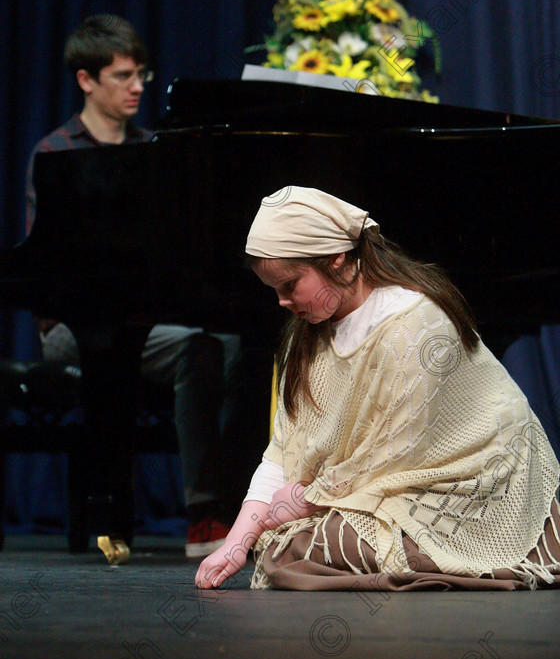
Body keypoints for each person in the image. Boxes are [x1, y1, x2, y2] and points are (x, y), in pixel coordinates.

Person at [195, 185, 560, 590]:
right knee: (285, 545)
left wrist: (302, 500)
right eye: (275, 291)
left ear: (336, 259)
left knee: (310, 544)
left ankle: (498, 551)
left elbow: (395, 452)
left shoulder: (413, 325)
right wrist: (235, 543)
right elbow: (283, 448)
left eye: (289, 285)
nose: (282, 302)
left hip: (472, 484)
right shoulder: (307, 333)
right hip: (375, 489)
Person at [25, 14, 240, 557]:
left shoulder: (156, 150)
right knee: (192, 348)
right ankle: (201, 513)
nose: (138, 86)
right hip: (74, 325)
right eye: (123, 75)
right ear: (86, 81)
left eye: (141, 73)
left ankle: (234, 510)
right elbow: (52, 264)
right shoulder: (56, 152)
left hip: (148, 320)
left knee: (231, 348)